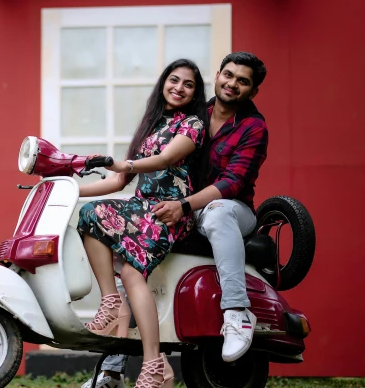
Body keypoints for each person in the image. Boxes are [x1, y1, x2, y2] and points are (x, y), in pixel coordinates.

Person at [82, 52, 269, 388]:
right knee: (117, 252)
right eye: (228, 75)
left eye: (243, 81)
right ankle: (117, 365)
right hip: (177, 206)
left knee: (217, 213)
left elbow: (231, 184)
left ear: (252, 91)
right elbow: (138, 171)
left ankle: (237, 313)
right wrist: (71, 187)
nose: (232, 83)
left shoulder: (252, 127)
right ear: (218, 75)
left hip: (229, 206)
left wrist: (182, 205)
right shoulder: (196, 113)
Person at [77, 59, 208, 388]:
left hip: (168, 211)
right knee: (89, 215)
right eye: (173, 80)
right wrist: (68, 189)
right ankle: (111, 303)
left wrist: (126, 162)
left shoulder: (192, 124)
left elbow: (164, 160)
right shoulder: (151, 126)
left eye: (187, 84)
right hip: (139, 209)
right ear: (163, 83)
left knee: (132, 270)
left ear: (195, 93)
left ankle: (153, 366)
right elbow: (118, 180)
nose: (178, 87)